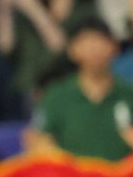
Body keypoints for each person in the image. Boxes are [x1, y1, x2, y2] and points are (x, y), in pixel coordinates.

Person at [0, 0, 96, 100]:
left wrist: (34, 8)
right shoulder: (26, 10)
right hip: (25, 93)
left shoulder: (87, 11)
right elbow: (5, 49)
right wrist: (4, 11)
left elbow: (65, 51)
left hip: (67, 94)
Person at [32, 16, 133, 161]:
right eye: (85, 41)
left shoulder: (128, 93)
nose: (93, 47)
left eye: (99, 39)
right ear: (72, 50)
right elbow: (39, 140)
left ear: (114, 46)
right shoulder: (57, 96)